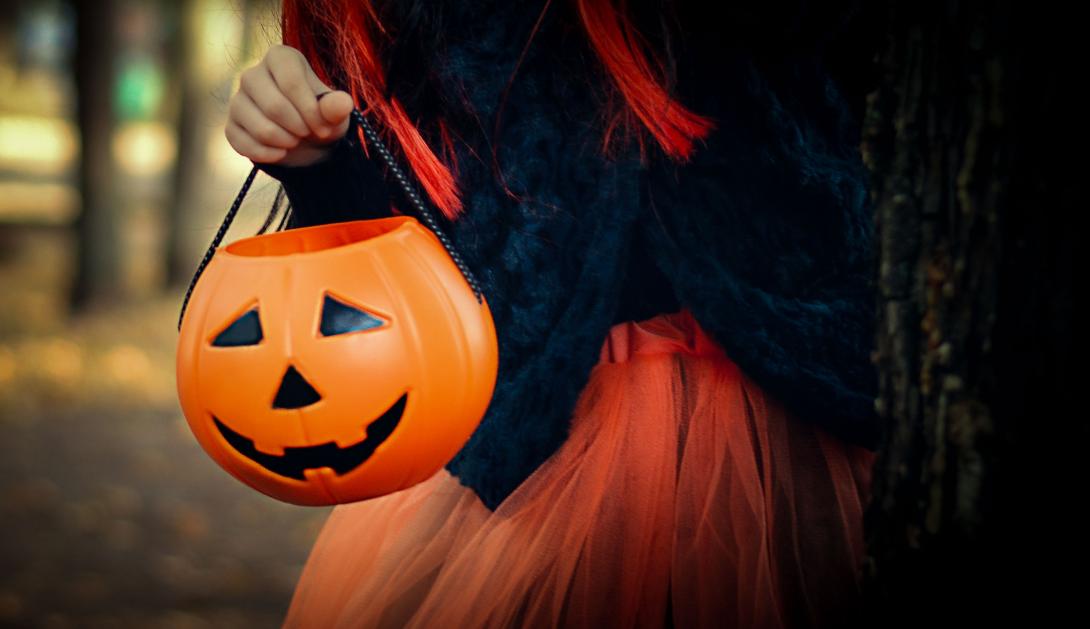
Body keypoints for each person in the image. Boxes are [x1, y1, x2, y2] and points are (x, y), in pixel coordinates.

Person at [225, 1, 882, 626]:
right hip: (513, 441)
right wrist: (320, 163)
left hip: (786, 409)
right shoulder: (392, 21)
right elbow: (400, 272)